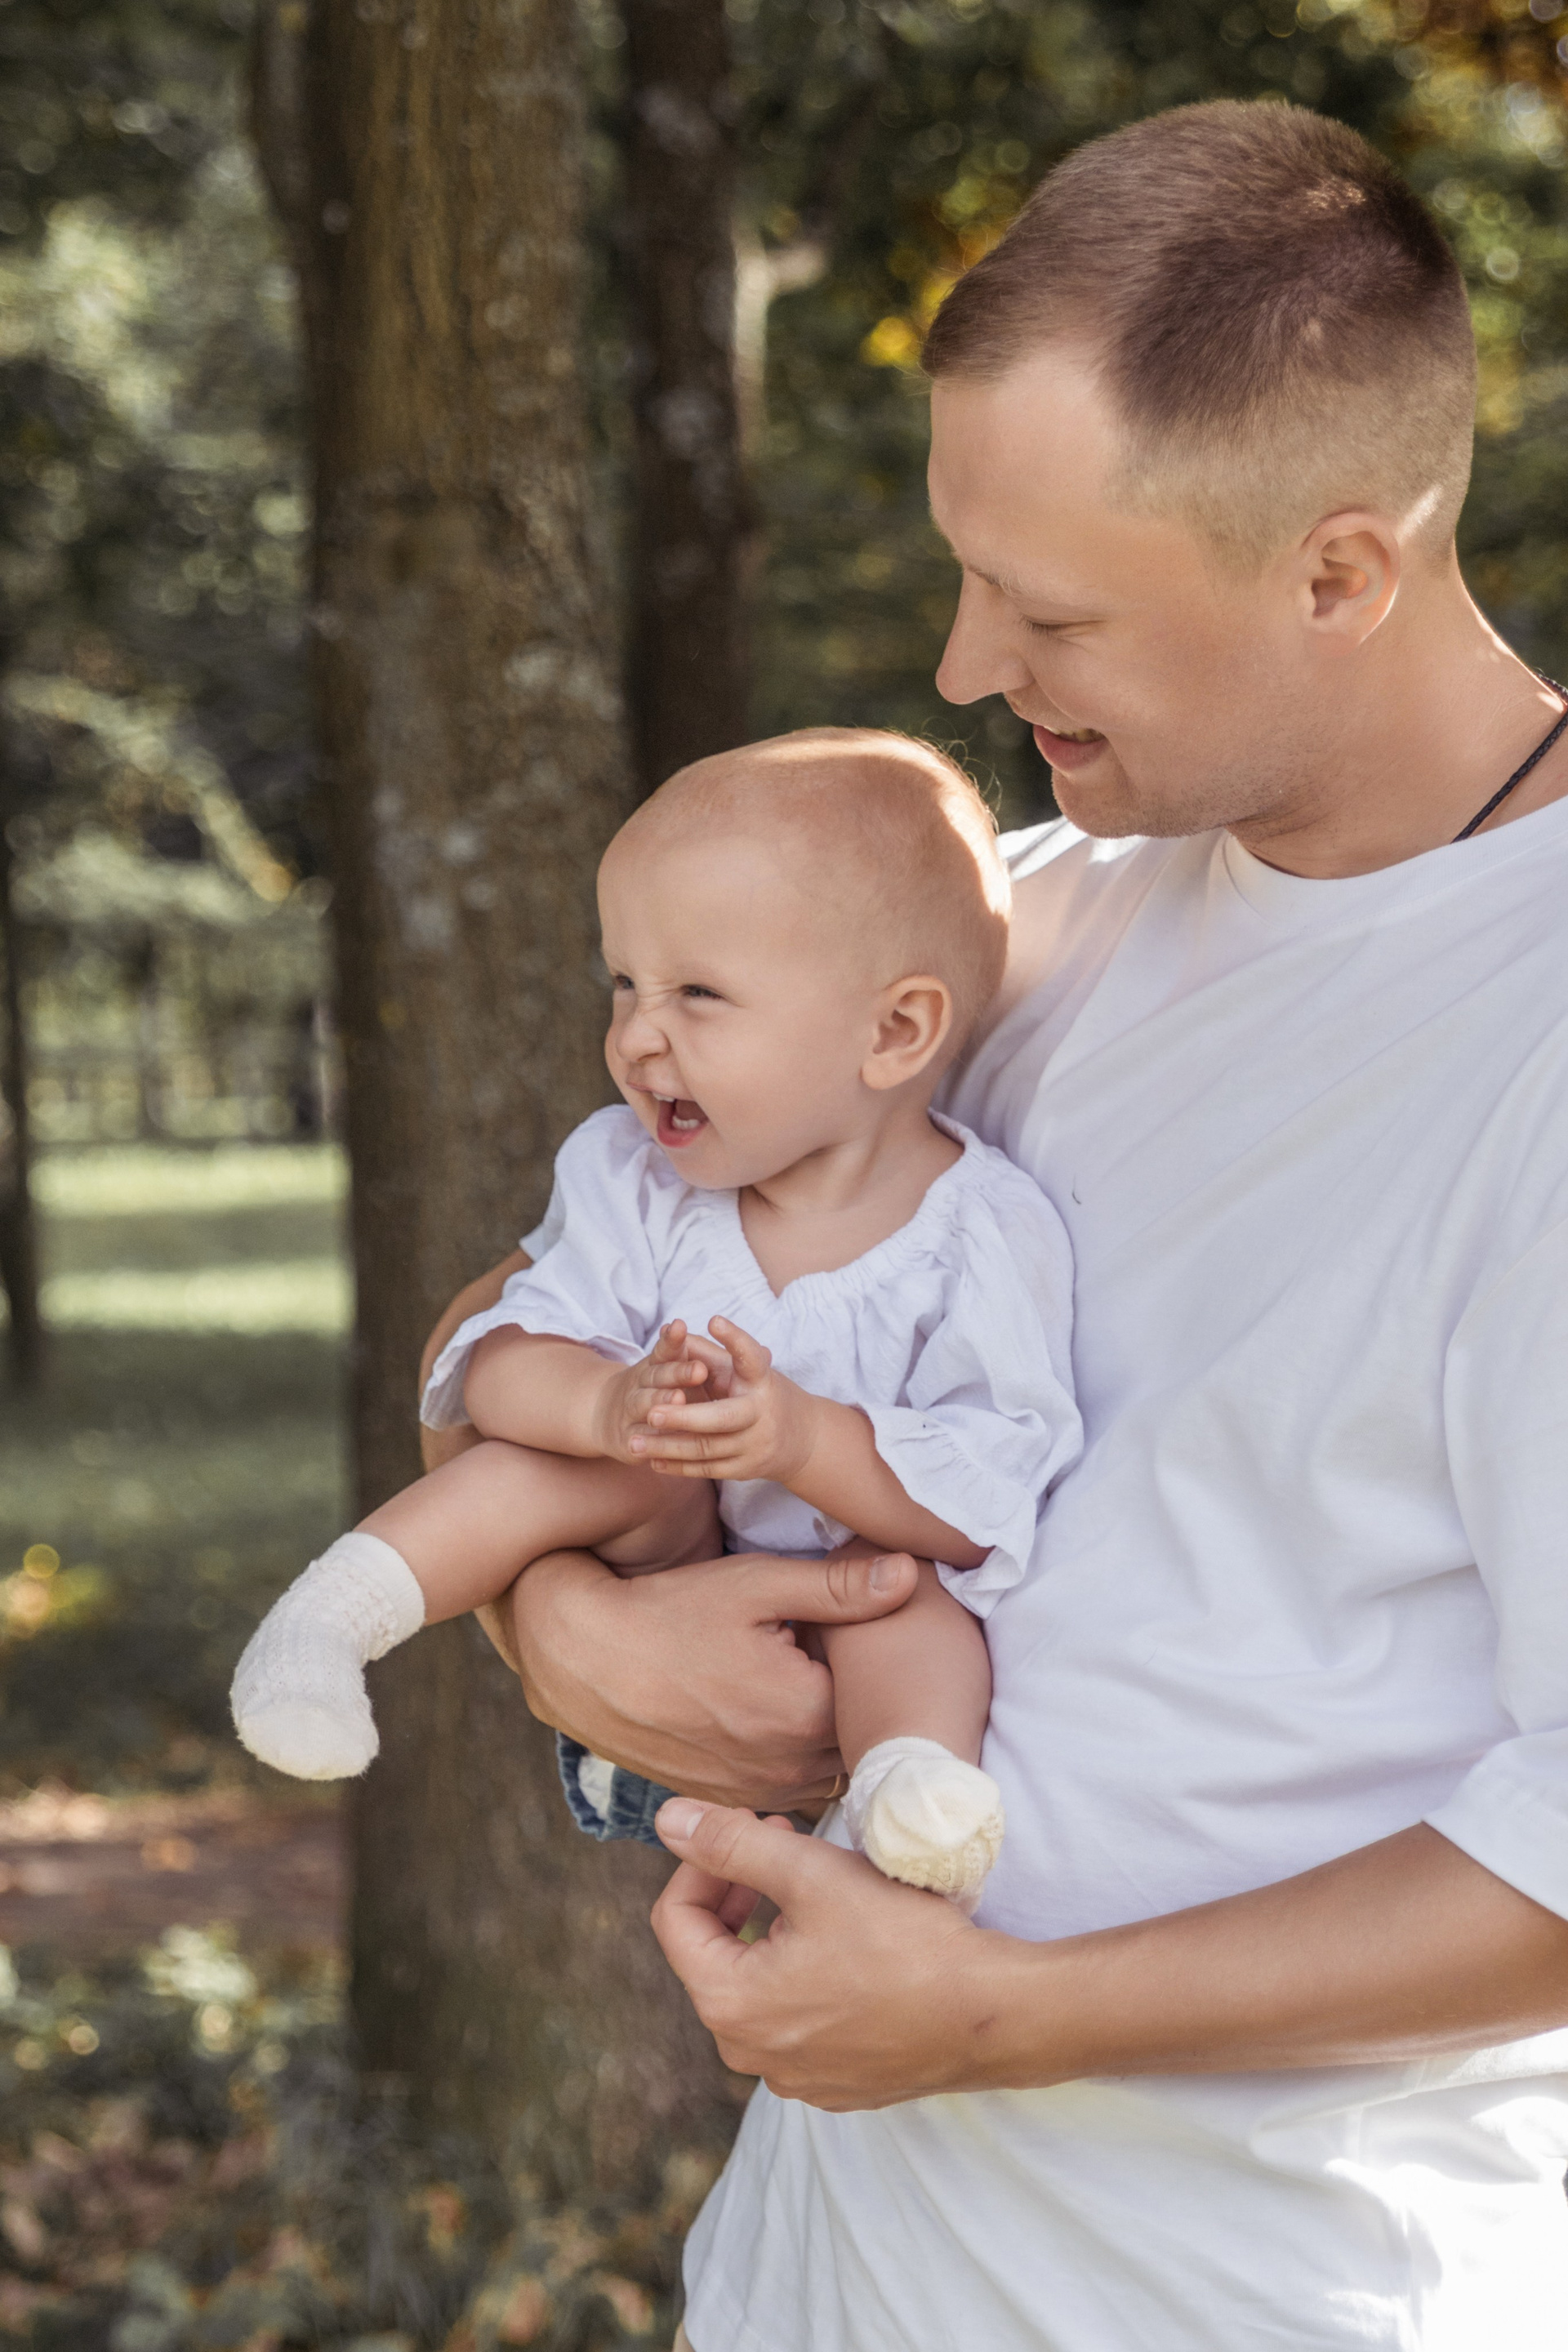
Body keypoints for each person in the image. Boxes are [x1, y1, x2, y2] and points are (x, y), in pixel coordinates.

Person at [426, 100, 1568, 2352]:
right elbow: (536, 1306)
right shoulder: (1017, 926)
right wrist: (563, 1629)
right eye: (969, 575)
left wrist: (998, 2018)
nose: (962, 668)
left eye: (1048, 610)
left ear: (1341, 572)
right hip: (825, 2276)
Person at [231, 732, 1081, 1908]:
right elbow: (493, 1366)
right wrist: (606, 1405)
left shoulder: (981, 1233)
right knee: (580, 1465)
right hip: (657, 1577)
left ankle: (906, 1789)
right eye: (624, 983)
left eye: (698, 994)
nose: (635, 1037)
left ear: (893, 1032)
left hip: (836, 1653)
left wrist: (803, 1442)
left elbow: (988, 1495)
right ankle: (328, 1624)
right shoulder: (636, 1181)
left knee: (910, 1598)